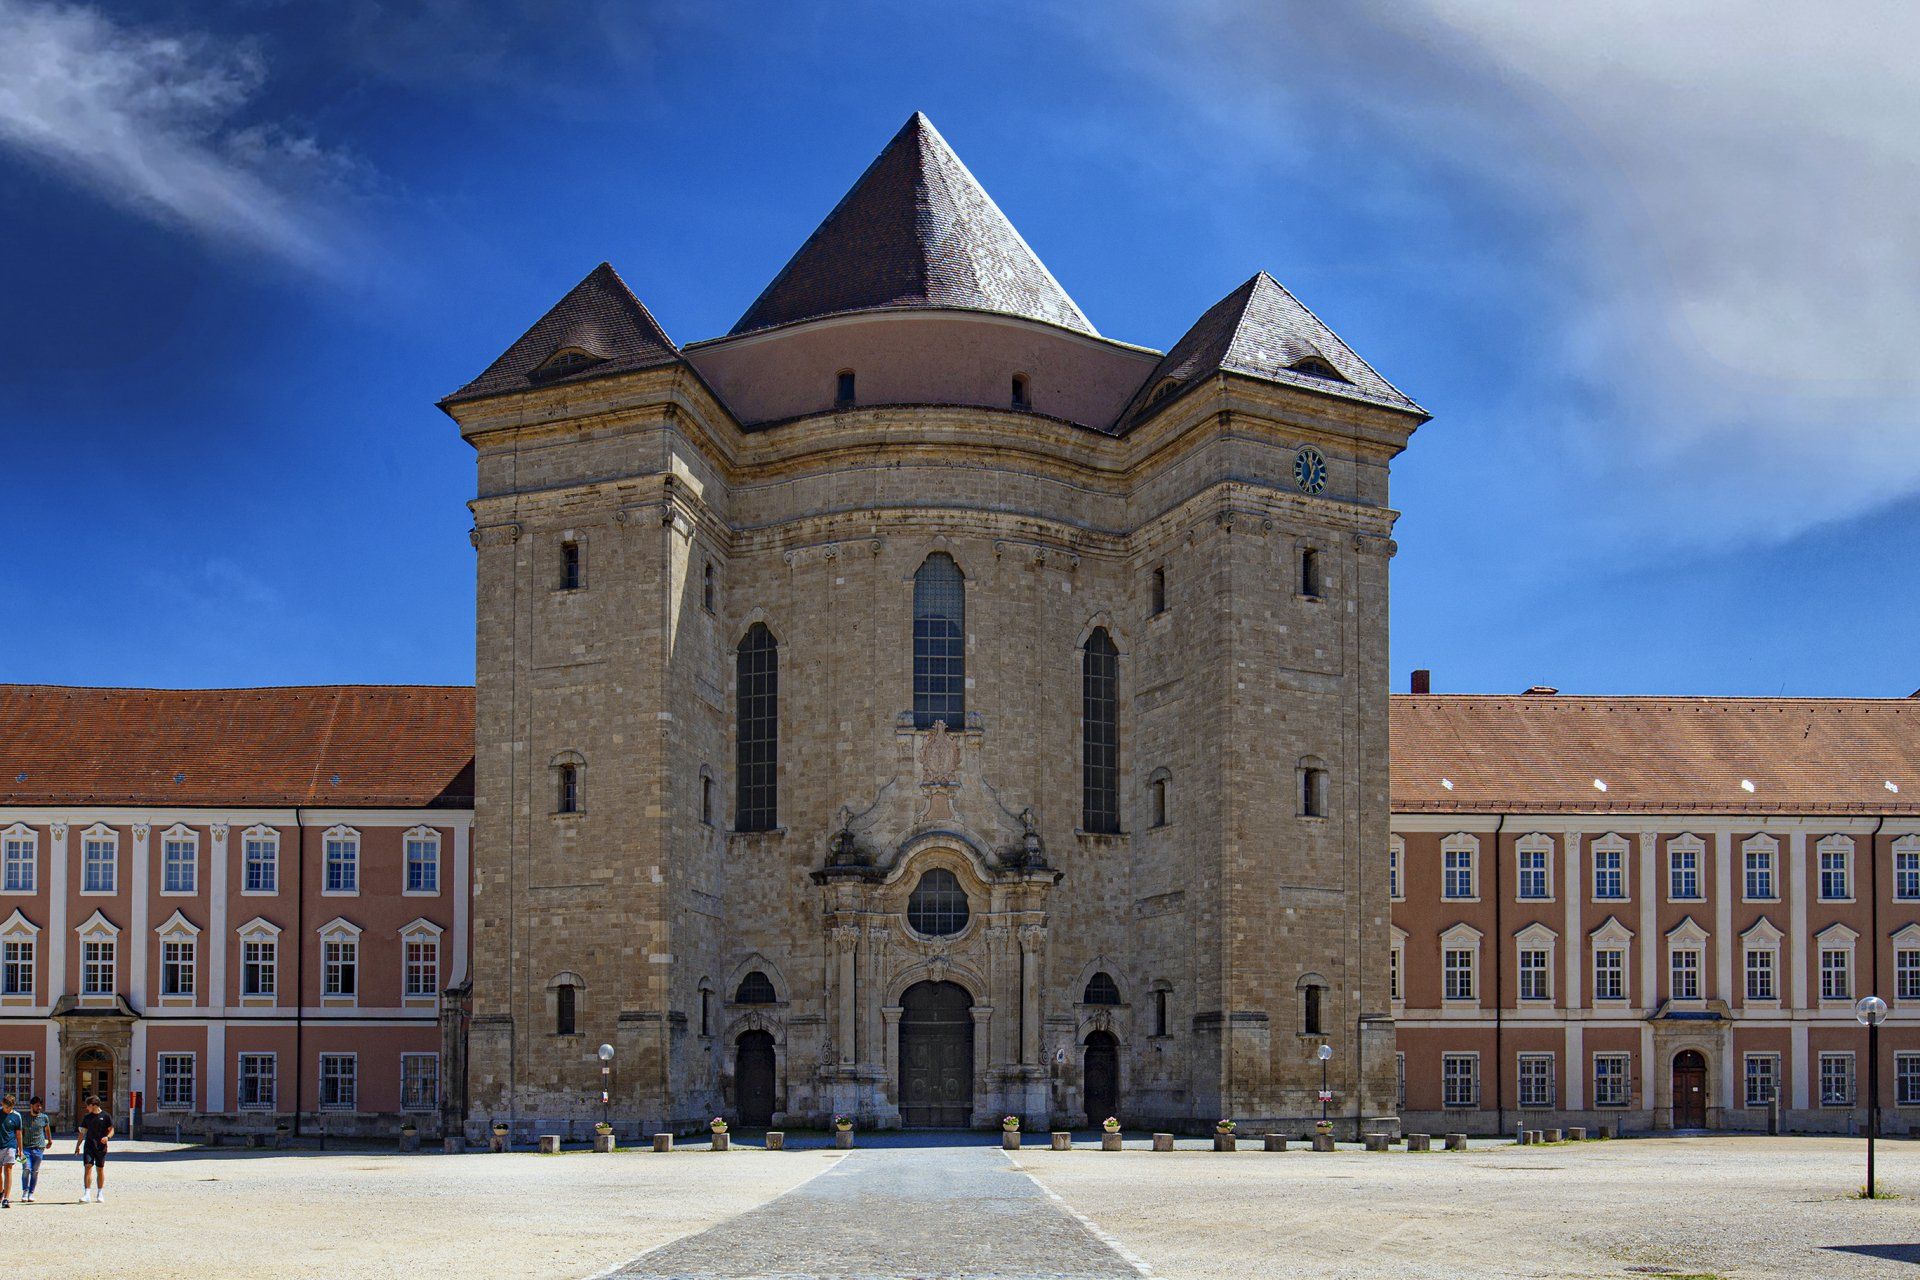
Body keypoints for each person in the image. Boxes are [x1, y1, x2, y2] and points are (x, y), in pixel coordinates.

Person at [75, 1095, 112, 1203]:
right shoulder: (87, 1117)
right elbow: (82, 1133)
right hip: (89, 1146)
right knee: (88, 1167)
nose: (87, 1108)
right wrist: (77, 1146)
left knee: (100, 1169)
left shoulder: (106, 1116)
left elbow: (111, 1130)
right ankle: (87, 1194)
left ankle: (100, 1193)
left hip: (101, 1147)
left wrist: (107, 1137)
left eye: (88, 1106)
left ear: (94, 1105)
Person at [20, 1098, 51, 1204]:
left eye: (40, 1106)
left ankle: (31, 1192)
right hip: (26, 1148)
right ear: (32, 1106)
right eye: (37, 1106)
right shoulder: (24, 1118)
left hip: (39, 1148)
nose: (39, 1108)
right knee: (26, 1169)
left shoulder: (44, 1117)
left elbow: (47, 1129)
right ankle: (25, 1191)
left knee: (35, 1171)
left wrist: (50, 1141)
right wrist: (19, 1149)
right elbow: (20, 1133)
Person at [0, 1096, 18, 1207]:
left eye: (10, 1107)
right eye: (6, 1107)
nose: (8, 1110)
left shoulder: (16, 1116)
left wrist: (20, 1149)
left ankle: (6, 1198)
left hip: (10, 1146)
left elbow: (19, 1133)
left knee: (8, 1170)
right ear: (2, 1104)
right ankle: (1, 1190)